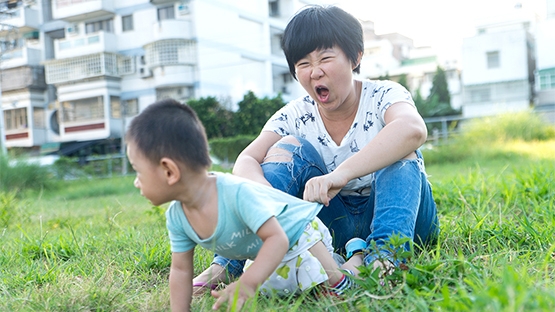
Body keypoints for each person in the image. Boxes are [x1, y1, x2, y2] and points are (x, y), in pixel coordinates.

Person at [193, 4, 440, 293]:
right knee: (285, 149)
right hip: (331, 224)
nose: (315, 72)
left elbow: (412, 129)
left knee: (401, 149)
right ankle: (230, 261)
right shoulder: (294, 114)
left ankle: (384, 260)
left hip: (402, 219)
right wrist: (270, 196)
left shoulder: (385, 94)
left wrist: (341, 175)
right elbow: (246, 159)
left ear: (355, 56)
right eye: (303, 64)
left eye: (326, 57)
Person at [126, 98, 362, 311]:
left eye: (138, 172)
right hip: (267, 252)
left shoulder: (236, 193)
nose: (136, 183)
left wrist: (247, 284)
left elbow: (278, 238)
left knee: (336, 287)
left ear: (169, 171)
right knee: (279, 290)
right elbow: (180, 270)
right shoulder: (177, 216)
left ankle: (358, 254)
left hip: (303, 237)